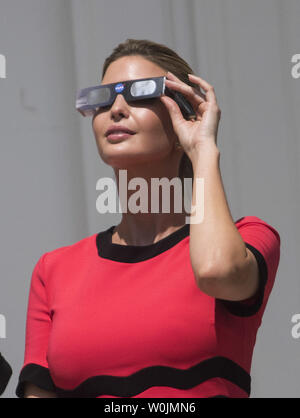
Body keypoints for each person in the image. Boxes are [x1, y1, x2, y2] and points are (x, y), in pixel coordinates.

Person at [16, 39, 280, 398]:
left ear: (186, 116)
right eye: (104, 98)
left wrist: (203, 149)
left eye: (141, 94)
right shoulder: (54, 270)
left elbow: (218, 272)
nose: (117, 109)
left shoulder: (249, 238)